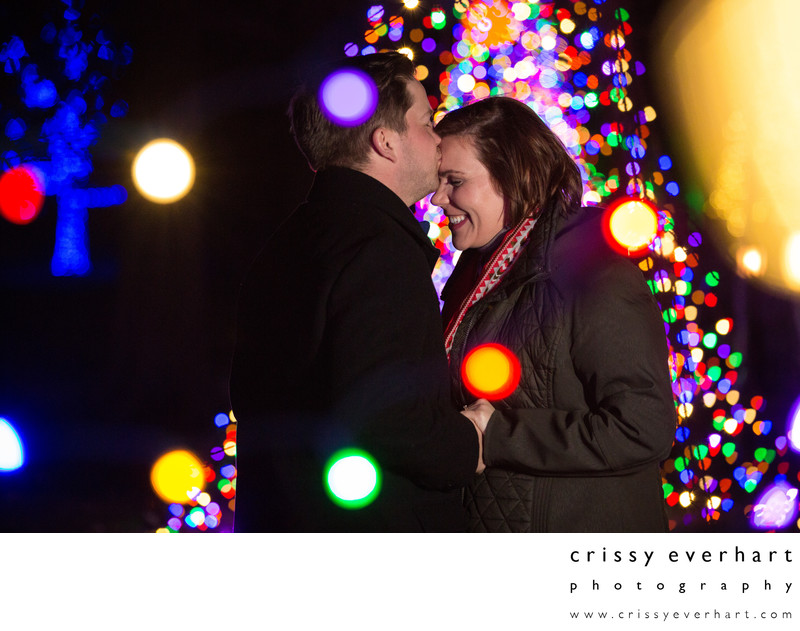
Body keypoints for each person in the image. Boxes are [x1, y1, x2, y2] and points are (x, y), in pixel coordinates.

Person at [229, 52, 483, 532]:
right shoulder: (377, 248)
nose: (439, 139)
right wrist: (473, 443)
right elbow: (388, 414)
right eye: (428, 123)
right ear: (386, 142)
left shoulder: (289, 243)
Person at [433, 96, 677, 532]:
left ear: (513, 174)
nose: (438, 198)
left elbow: (644, 427)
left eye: (454, 181)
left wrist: (500, 435)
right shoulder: (477, 272)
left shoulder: (592, 272)